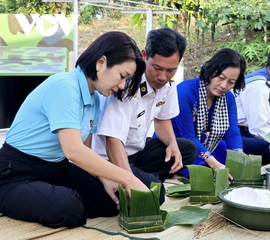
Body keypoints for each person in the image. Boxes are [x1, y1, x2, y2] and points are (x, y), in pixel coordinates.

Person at [0, 31, 147, 228]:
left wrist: (106, 178)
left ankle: (44, 195)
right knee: (69, 208)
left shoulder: (93, 97)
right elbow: (74, 151)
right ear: (101, 63)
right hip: (15, 173)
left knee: (109, 201)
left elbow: (85, 152)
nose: (121, 86)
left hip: (55, 169)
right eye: (122, 76)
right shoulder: (64, 86)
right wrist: (128, 178)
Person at [91, 28, 197, 199]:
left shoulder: (168, 85)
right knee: (157, 194)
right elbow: (112, 141)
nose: (163, 76)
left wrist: (172, 144)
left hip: (137, 151)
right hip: (111, 157)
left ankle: (140, 174)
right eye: (157, 68)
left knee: (188, 150)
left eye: (171, 70)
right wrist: (129, 181)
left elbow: (162, 121)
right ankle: (134, 176)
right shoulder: (125, 85)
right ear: (144, 55)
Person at [171, 49, 246, 178]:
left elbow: (232, 132)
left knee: (228, 155)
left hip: (205, 143)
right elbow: (188, 136)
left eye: (231, 82)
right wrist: (213, 163)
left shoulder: (228, 98)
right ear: (211, 71)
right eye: (221, 78)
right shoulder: (184, 92)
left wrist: (238, 155)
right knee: (204, 171)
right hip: (179, 145)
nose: (224, 85)